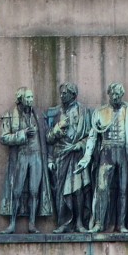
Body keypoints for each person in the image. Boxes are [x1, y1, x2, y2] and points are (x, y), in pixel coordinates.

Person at [75, 82, 128, 233]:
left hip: (124, 152)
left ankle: (122, 224)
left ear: (122, 95)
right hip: (106, 152)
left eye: (118, 94)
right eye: (113, 94)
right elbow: (92, 137)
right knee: (102, 188)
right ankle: (99, 223)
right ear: (109, 94)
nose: (115, 97)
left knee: (123, 189)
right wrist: (86, 157)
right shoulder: (100, 112)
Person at [0, 87, 54, 233]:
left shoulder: (39, 115)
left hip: (37, 156)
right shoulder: (10, 115)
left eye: (31, 97)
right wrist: (22, 134)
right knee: (16, 191)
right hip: (21, 156)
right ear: (20, 99)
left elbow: (48, 137)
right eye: (28, 97)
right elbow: (4, 138)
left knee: (34, 191)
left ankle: (32, 223)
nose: (31, 100)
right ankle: (12, 224)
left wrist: (57, 130)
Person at [46, 82, 92, 233]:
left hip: (77, 155)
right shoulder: (55, 113)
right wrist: (57, 129)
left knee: (78, 189)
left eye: (65, 93)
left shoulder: (84, 112)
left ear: (73, 94)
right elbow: (48, 139)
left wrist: (80, 145)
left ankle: (79, 222)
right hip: (60, 155)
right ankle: (63, 223)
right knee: (60, 191)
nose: (62, 95)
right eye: (61, 93)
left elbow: (91, 136)